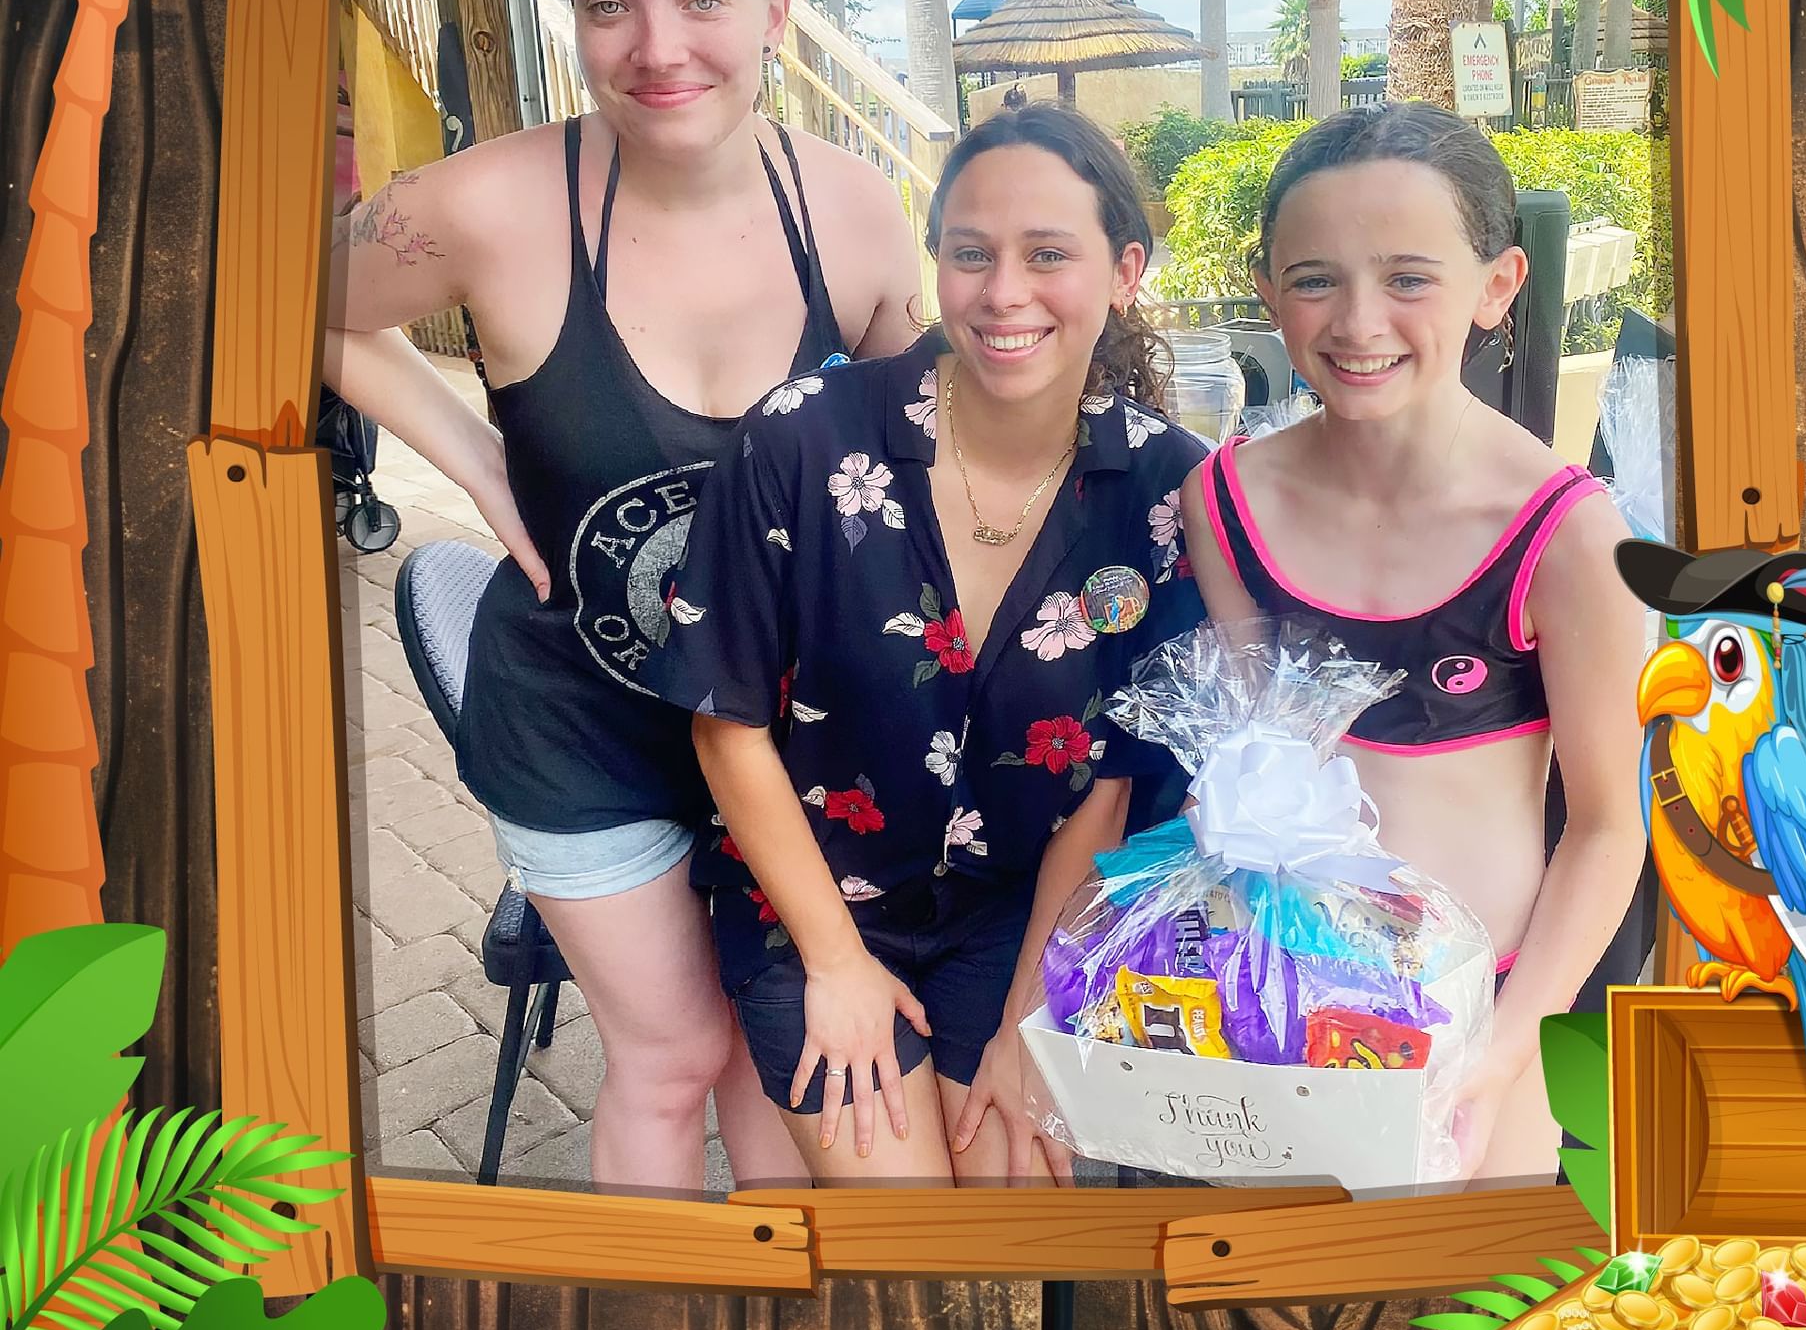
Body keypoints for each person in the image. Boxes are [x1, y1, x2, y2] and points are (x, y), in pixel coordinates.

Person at [326, 0, 922, 1194]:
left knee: (782, 1056)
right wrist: (477, 461)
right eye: (609, 4)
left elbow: (913, 446)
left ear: (776, 7)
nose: (656, 48)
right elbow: (289, 302)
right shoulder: (482, 205)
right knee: (669, 1058)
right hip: (580, 729)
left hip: (787, 739)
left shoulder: (855, 214)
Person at [652, 105, 1208, 1184]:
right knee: (913, 1237)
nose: (1003, 293)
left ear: (1123, 270)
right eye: (970, 253)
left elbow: (1114, 781)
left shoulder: (1164, 490)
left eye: (1048, 254)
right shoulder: (803, 436)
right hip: (805, 901)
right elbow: (726, 720)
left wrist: (1026, 1018)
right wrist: (834, 962)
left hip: (1018, 918)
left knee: (1014, 1215)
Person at [1180, 102, 1645, 1182]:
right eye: (1312, 278)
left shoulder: (1565, 534)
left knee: (1470, 1325)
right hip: (1289, 1000)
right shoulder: (1225, 498)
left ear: (1496, 286)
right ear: (1265, 289)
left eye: (1406, 277)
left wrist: (1501, 1045)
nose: (1356, 321)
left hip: (1490, 1016)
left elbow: (1606, 828)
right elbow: (1261, 759)